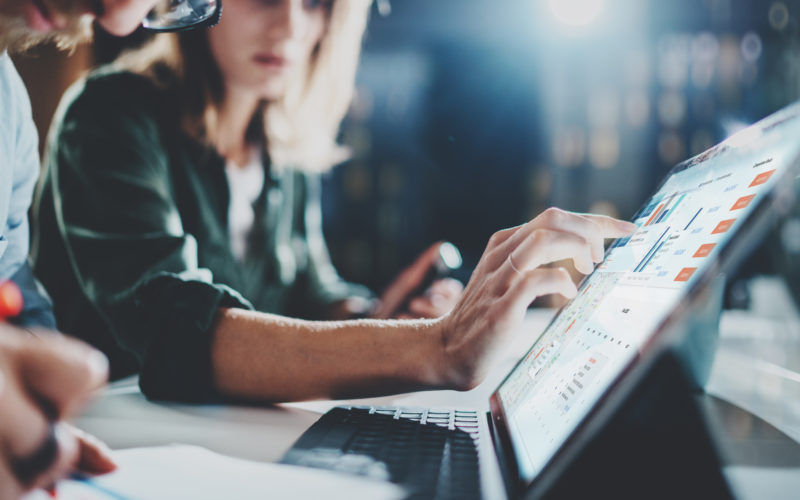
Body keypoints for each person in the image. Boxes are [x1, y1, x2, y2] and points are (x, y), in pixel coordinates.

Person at [34, 0, 637, 405]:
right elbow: (171, 329)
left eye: (316, 2)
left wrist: (386, 315)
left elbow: (311, 294)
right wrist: (436, 345)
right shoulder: (109, 113)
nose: (293, 26)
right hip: (106, 449)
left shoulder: (280, 150)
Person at [0, 0, 224, 497]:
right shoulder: (109, 112)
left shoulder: (8, 107)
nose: (119, 14)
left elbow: (12, 287)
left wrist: (37, 416)